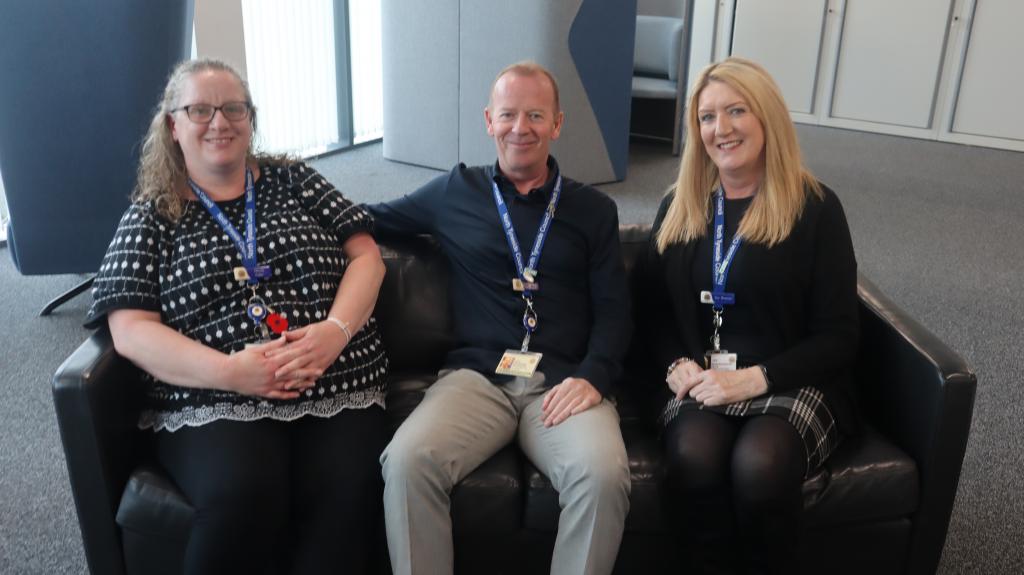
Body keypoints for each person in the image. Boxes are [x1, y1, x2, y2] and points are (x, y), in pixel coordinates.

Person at [85, 58, 389, 574]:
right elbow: (130, 330)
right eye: (200, 110)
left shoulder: (295, 180)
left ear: (250, 118)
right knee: (242, 492)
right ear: (173, 126)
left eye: (233, 108)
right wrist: (230, 372)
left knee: (347, 492)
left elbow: (368, 257)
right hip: (214, 395)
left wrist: (334, 333)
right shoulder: (151, 215)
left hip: (337, 378)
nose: (219, 122)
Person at [367, 61, 632, 575]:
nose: (520, 128)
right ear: (489, 120)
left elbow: (615, 312)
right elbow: (369, 216)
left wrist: (594, 376)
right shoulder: (456, 192)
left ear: (557, 124)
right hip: (476, 380)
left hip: (562, 383)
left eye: (535, 115)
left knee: (602, 475)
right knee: (406, 460)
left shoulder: (593, 210)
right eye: (508, 114)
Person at [634, 57, 860, 574]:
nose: (722, 128)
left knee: (761, 467)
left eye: (736, 111)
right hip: (702, 381)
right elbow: (650, 310)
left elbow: (839, 336)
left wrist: (757, 378)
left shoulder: (815, 208)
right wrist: (675, 364)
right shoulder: (680, 204)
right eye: (707, 117)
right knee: (694, 457)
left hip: (790, 380)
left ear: (767, 117)